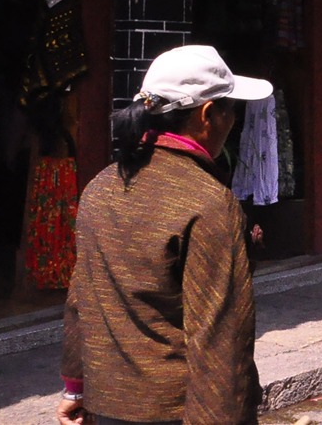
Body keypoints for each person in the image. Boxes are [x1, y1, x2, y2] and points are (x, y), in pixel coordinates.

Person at [59, 45, 273, 425]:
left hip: (106, 404)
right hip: (177, 410)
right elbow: (220, 338)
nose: (233, 122)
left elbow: (80, 300)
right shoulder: (208, 203)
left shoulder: (100, 187)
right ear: (208, 115)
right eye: (232, 111)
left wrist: (75, 387)